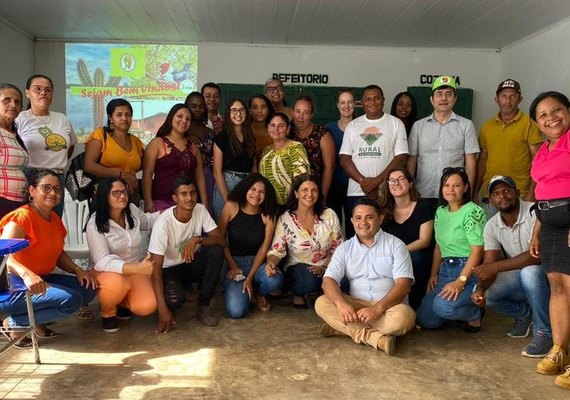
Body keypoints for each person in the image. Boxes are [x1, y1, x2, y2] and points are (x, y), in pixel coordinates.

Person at [0, 169, 97, 347]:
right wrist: (27, 275)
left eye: (57, 189)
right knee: (71, 300)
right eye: (46, 187)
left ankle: (34, 321)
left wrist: (78, 270)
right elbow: (4, 257)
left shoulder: (53, 218)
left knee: (88, 288)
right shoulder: (20, 219)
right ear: (32, 190)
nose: (52, 193)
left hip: (42, 279)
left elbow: (58, 253)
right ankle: (14, 324)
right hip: (14, 286)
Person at [314, 197, 416, 355]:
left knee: (404, 318)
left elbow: (403, 286)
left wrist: (377, 309)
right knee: (321, 303)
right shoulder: (344, 248)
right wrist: (342, 305)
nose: (363, 222)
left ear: (380, 219)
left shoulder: (396, 245)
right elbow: (328, 281)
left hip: (388, 307)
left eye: (369, 217)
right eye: (358, 218)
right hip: (356, 306)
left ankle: (342, 328)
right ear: (352, 221)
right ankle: (376, 339)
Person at [470, 175, 552, 357]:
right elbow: (489, 264)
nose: (502, 196)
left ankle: (544, 333)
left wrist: (495, 268)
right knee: (488, 293)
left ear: (517, 192)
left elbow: (537, 256)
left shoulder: (534, 212)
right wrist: (480, 287)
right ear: (491, 200)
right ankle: (524, 314)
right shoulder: (492, 225)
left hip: (548, 277)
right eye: (496, 194)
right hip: (521, 278)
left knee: (530, 272)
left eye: (507, 191)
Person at [528, 91, 570, 390]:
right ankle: (559, 350)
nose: (551, 117)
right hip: (550, 224)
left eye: (556, 110)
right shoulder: (543, 149)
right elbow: (543, 190)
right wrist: (537, 230)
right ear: (538, 124)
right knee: (556, 285)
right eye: (543, 115)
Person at [149, 176, 225, 332]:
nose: (189, 198)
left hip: (191, 263)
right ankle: (171, 302)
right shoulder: (163, 224)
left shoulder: (200, 209)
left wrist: (197, 239)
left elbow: (221, 240)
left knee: (216, 251)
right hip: (169, 269)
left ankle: (203, 305)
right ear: (175, 198)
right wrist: (162, 309)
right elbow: (155, 268)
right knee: (175, 300)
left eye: (193, 193)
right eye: (184, 194)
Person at [416, 167, 487, 332]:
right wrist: (434, 274)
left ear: (466, 188)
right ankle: (451, 309)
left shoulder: (473, 211)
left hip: (468, 271)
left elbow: (477, 251)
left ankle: (475, 313)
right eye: (447, 185)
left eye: (456, 185)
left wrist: (460, 282)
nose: (451, 190)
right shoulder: (440, 212)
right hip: (445, 270)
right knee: (425, 319)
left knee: (443, 307)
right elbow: (439, 246)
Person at [86, 177, 159, 333]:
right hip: (105, 271)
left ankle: (122, 303)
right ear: (105, 196)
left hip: (133, 268)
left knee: (147, 307)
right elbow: (102, 261)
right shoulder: (95, 222)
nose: (123, 196)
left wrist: (173, 212)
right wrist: (137, 269)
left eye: (124, 191)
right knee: (116, 283)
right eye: (116, 193)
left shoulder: (131, 210)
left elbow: (148, 221)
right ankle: (108, 313)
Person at [339, 84, 408, 238]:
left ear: (383, 100)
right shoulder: (353, 126)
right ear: (361, 103)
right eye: (368, 99)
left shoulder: (396, 123)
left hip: (386, 191)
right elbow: (344, 159)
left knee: (385, 235)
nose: (372, 102)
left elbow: (401, 157)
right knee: (356, 236)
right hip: (357, 191)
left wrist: (376, 182)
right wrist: (364, 182)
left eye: (376, 98)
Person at [266, 174, 343, 309]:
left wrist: (324, 267)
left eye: (314, 190)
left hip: (329, 265)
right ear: (296, 193)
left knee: (349, 278)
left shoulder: (329, 215)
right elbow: (277, 250)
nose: (310, 194)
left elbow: (339, 248)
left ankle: (324, 287)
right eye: (305, 190)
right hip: (299, 268)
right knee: (307, 280)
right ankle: (299, 293)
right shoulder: (285, 219)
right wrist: (271, 263)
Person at [408, 76, 480, 206]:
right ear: (432, 99)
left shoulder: (466, 125)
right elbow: (411, 162)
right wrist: (410, 190)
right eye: (439, 94)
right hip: (423, 193)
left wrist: (466, 194)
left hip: (454, 195)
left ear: (455, 98)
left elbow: (471, 164)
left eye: (448, 94)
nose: (443, 98)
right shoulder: (418, 126)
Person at [473, 79, 542, 215]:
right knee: (490, 235)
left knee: (519, 236)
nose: (508, 100)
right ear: (496, 100)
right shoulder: (487, 126)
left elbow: (538, 161)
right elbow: (482, 160)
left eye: (512, 96)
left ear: (520, 99)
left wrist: (531, 194)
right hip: (491, 196)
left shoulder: (529, 124)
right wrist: (475, 192)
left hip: (519, 195)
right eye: (503, 96)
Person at [218, 173, 282, 318]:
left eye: (261, 192)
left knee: (275, 279)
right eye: (252, 189)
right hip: (234, 264)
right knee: (236, 311)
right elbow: (220, 241)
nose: (256, 194)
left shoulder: (268, 214)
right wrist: (233, 266)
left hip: (257, 264)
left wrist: (250, 277)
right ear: (245, 189)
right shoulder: (231, 207)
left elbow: (264, 248)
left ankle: (259, 293)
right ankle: (245, 293)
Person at [16, 74, 76, 216]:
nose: (43, 93)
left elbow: (71, 145)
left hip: (57, 178)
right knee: (31, 225)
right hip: (32, 178)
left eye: (48, 90)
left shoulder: (62, 118)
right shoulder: (20, 118)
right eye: (37, 89)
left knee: (53, 222)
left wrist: (56, 160)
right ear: (27, 93)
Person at [380, 167, 434, 310]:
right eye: (392, 180)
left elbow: (424, 241)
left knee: (415, 258)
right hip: (391, 256)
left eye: (401, 179)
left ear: (410, 183)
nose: (396, 183)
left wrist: (399, 252)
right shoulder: (384, 210)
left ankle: (414, 306)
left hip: (417, 255)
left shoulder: (424, 206)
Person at [142, 103, 207, 212]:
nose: (184, 121)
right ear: (171, 118)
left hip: (188, 204)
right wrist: (148, 201)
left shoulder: (194, 148)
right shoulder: (157, 143)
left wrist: (205, 204)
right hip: (161, 203)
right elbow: (147, 175)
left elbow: (200, 178)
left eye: (188, 119)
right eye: (180, 116)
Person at [84, 98, 144, 204]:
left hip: (131, 195)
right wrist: (122, 176)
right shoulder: (100, 135)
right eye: (119, 115)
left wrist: (132, 179)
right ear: (111, 118)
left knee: (131, 221)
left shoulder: (136, 141)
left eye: (128, 115)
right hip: (106, 193)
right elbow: (89, 165)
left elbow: (144, 165)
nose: (124, 118)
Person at [212, 98, 257, 220]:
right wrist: (227, 199)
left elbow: (254, 169)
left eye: (242, 110)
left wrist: (254, 187)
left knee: (243, 225)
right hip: (227, 184)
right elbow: (217, 171)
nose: (238, 114)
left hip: (247, 185)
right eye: (234, 110)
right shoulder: (221, 138)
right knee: (225, 229)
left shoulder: (250, 137)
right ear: (228, 113)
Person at [289, 95, 335, 201]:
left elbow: (330, 167)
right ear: (292, 112)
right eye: (298, 111)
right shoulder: (287, 132)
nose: (301, 116)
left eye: (305, 113)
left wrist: (322, 196)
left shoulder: (322, 134)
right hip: (291, 193)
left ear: (311, 115)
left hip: (313, 192)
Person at [259, 112, 310, 206]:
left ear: (288, 128)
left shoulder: (295, 147)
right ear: (268, 128)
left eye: (281, 126)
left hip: (289, 204)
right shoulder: (266, 150)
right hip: (267, 203)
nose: (276, 129)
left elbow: (302, 178)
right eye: (273, 125)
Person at [325, 89, 355, 233]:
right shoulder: (328, 129)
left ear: (355, 104)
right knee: (333, 224)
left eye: (349, 102)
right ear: (337, 105)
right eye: (342, 102)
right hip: (334, 184)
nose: (346, 106)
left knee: (354, 224)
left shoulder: (362, 127)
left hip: (356, 184)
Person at [0, 84, 29, 217]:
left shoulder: (15, 135)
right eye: (7, 100)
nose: (12, 105)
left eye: (17, 102)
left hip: (18, 203)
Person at [187, 91, 216, 216]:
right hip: (186, 177)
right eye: (193, 106)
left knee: (205, 214)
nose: (197, 109)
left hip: (207, 177)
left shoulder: (211, 133)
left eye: (201, 106)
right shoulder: (181, 132)